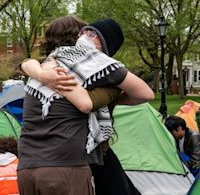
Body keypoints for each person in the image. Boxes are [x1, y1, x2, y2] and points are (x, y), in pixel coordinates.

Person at [18, 16, 153, 195]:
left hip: (28, 168)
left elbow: (27, 63)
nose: (86, 37)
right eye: (84, 31)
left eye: (93, 34)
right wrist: (112, 92)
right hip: (65, 167)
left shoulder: (45, 67)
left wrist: (39, 73)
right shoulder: (63, 67)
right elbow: (85, 103)